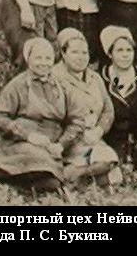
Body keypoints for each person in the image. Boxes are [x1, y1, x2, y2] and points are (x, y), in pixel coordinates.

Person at [0, 38, 82, 192]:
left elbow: (77, 120)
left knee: (90, 159)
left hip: (53, 144)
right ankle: (9, 177)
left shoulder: (63, 86)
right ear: (28, 59)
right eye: (38, 58)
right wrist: (28, 136)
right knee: (42, 165)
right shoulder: (17, 85)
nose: (43, 63)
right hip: (20, 142)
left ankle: (23, 180)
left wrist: (61, 144)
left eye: (48, 58)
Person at [52, 28, 122, 186]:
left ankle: (76, 175)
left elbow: (108, 110)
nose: (81, 57)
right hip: (69, 141)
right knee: (109, 170)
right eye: (75, 52)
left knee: (114, 172)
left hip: (93, 138)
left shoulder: (94, 77)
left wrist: (99, 130)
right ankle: (76, 174)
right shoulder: (54, 78)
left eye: (84, 52)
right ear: (63, 53)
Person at [99, 26, 137, 163]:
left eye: (129, 50)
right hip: (109, 141)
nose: (125, 55)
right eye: (119, 50)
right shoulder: (100, 80)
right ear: (110, 54)